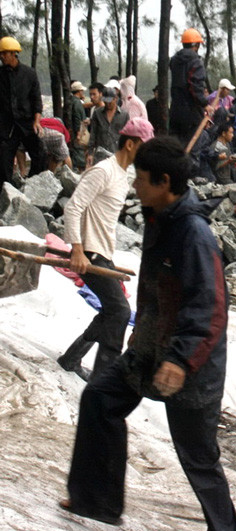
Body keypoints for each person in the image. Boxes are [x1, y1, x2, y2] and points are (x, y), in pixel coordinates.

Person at [60, 137, 236, 531]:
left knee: (198, 458)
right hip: (149, 349)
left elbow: (209, 309)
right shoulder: (161, 216)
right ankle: (97, 501)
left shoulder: (193, 234)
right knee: (99, 398)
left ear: (163, 182)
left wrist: (180, 360)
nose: (134, 185)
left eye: (141, 179)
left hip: (189, 363)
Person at [57, 118, 154, 381]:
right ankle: (105, 373)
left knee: (113, 309)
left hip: (103, 253)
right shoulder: (104, 171)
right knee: (120, 311)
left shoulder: (124, 174)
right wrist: (77, 250)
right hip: (89, 253)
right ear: (131, 144)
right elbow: (73, 207)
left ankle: (71, 359)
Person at [0, 36, 45, 187]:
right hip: (7, 127)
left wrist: (37, 121)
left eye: (5, 53)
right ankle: (6, 191)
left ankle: (35, 185)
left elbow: (36, 100)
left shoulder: (29, 74)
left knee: (40, 154)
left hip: (27, 123)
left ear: (14, 53)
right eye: (1, 53)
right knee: (4, 159)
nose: (2, 56)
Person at [169, 28, 211, 146]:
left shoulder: (174, 61)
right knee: (193, 149)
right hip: (191, 113)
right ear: (196, 45)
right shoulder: (196, 62)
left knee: (175, 148)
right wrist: (205, 104)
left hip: (175, 111)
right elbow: (195, 87)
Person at [88, 87, 129, 166]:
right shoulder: (97, 113)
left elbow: (126, 136)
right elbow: (93, 134)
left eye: (110, 102)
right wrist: (90, 153)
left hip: (116, 154)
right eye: (105, 102)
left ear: (116, 99)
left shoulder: (124, 115)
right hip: (100, 155)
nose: (108, 104)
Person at [67, 81, 88, 170]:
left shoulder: (71, 101)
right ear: (79, 91)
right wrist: (79, 133)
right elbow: (77, 119)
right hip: (78, 131)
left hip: (73, 131)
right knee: (79, 153)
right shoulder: (77, 103)